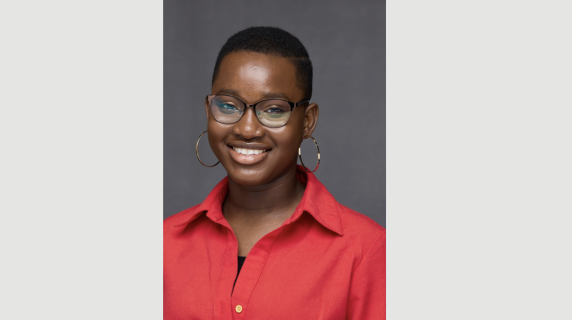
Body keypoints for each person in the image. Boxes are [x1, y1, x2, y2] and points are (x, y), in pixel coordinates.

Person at [164, 26, 385, 319]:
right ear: (208, 109)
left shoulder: (365, 249)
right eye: (228, 105)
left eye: (274, 110)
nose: (246, 129)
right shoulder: (163, 245)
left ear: (307, 121)